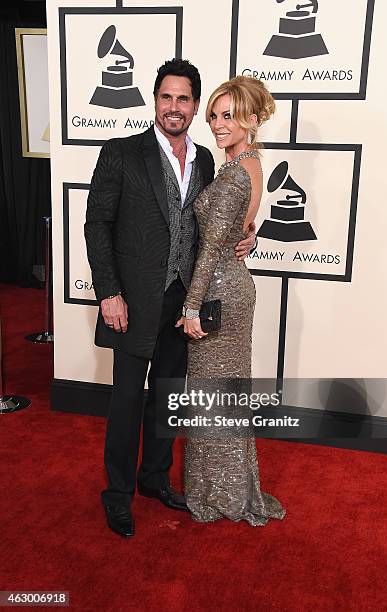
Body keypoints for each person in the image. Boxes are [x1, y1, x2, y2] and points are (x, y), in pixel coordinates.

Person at [84, 59, 256, 538]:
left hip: (184, 302)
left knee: (167, 396)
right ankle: (117, 495)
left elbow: (215, 224)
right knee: (125, 402)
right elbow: (96, 225)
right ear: (154, 100)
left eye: (183, 99)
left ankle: (154, 478)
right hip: (134, 302)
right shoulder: (121, 153)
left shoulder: (206, 159)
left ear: (195, 106)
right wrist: (110, 292)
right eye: (166, 97)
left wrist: (249, 236)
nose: (174, 107)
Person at [177, 76, 286, 525]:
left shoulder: (236, 173)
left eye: (230, 116)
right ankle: (231, 490)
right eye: (216, 116)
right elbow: (236, 231)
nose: (218, 125)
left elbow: (210, 248)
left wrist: (191, 307)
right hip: (236, 286)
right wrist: (250, 235)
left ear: (252, 120)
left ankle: (218, 497)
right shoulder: (250, 164)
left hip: (219, 293)